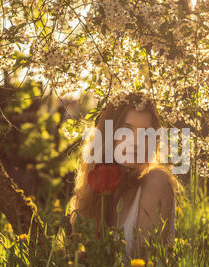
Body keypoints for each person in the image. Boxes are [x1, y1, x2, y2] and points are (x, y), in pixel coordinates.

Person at [70, 91, 181, 257]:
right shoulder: (96, 191)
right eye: (126, 131)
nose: (135, 142)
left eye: (145, 133)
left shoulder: (156, 181)